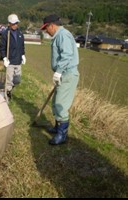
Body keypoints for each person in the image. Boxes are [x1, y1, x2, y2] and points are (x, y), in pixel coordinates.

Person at [40, 14, 80, 145]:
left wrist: (58, 71)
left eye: (46, 28)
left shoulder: (63, 35)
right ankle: (58, 128)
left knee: (61, 105)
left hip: (67, 74)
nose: (46, 31)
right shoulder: (59, 36)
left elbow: (67, 55)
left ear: (52, 25)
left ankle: (62, 135)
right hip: (63, 74)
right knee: (56, 103)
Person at [0, 13, 26, 101]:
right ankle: (7, 95)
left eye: (16, 23)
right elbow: (2, 47)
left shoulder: (20, 33)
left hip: (18, 60)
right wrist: (4, 58)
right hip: (10, 61)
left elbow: (22, 45)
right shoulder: (5, 34)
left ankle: (9, 90)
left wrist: (23, 55)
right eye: (14, 23)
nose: (15, 25)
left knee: (17, 80)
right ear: (9, 24)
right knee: (9, 80)